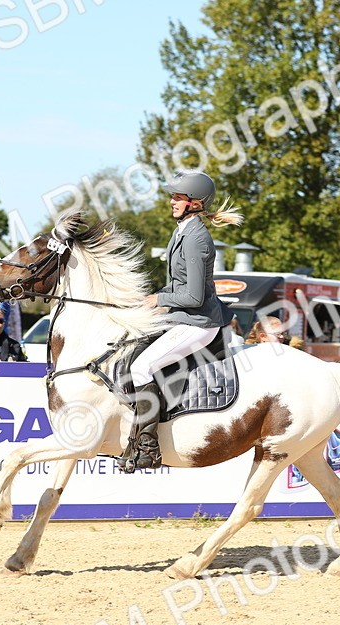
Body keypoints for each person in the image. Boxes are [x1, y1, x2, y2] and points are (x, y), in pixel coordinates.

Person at [120, 170, 243, 473]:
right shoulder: (183, 231)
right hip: (183, 317)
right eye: (172, 196)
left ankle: (148, 446)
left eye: (177, 197)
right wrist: (149, 298)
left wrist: (160, 301)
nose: (171, 201)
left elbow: (194, 296)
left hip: (198, 323)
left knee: (141, 367)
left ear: (194, 202)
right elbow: (178, 287)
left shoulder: (196, 238)